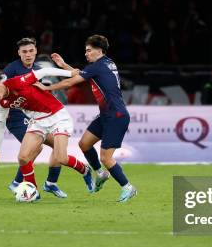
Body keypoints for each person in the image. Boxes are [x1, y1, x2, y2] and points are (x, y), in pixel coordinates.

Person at [35, 35, 137, 203]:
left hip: (116, 116)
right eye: (85, 51)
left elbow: (70, 82)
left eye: (89, 50)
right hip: (106, 115)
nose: (86, 54)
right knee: (84, 144)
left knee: (106, 158)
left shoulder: (98, 66)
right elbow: (83, 75)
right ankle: (101, 174)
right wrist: (64, 66)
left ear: (99, 50)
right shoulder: (106, 63)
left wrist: (47, 88)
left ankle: (127, 187)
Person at [0, 66, 93, 201]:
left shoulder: (18, 82)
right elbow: (1, 124)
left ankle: (85, 170)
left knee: (61, 157)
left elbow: (44, 71)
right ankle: (33, 192)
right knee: (23, 157)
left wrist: (70, 73)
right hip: (37, 121)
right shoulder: (2, 102)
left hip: (57, 115)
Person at [1, 38, 67, 197]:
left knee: (58, 144)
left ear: (36, 51)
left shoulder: (37, 70)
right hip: (15, 117)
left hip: (35, 117)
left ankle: (51, 184)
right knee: (36, 147)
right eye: (24, 52)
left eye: (31, 51)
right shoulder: (11, 70)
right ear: (19, 53)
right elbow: (0, 92)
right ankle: (17, 183)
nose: (28, 54)